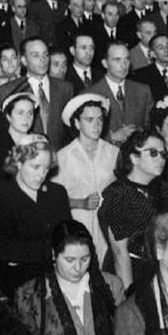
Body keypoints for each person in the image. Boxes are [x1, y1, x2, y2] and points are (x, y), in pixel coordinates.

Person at [13, 220, 125, 335]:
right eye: (69, 260)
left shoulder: (111, 286)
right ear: (54, 255)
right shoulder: (29, 296)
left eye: (84, 259)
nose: (78, 268)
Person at [0, 140, 72, 297]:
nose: (41, 174)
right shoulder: (0, 195)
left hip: (54, 282)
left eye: (46, 168)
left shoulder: (57, 193)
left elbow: (66, 236)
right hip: (15, 286)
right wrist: (49, 251)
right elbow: (2, 249)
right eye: (35, 167)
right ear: (19, 163)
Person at [98, 131, 168, 291]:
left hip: (160, 269)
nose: (161, 159)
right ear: (134, 158)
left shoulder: (166, 191)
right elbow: (120, 253)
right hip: (129, 272)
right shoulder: (117, 195)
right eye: (153, 153)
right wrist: (129, 295)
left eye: (163, 154)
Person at [54, 95, 120, 265]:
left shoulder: (114, 153)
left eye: (100, 119)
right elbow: (53, 200)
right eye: (89, 120)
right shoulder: (63, 157)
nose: (96, 125)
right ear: (77, 123)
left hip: (109, 229)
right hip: (78, 229)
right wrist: (81, 203)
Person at [85, 43, 152, 144]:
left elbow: (150, 125)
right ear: (105, 63)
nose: (123, 65)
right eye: (117, 60)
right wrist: (112, 137)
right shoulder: (90, 95)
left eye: (127, 59)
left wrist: (138, 134)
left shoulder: (143, 91)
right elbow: (84, 135)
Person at [0, 91, 40, 173]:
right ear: (8, 116)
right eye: (20, 113)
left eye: (30, 113)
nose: (26, 118)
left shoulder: (37, 144)